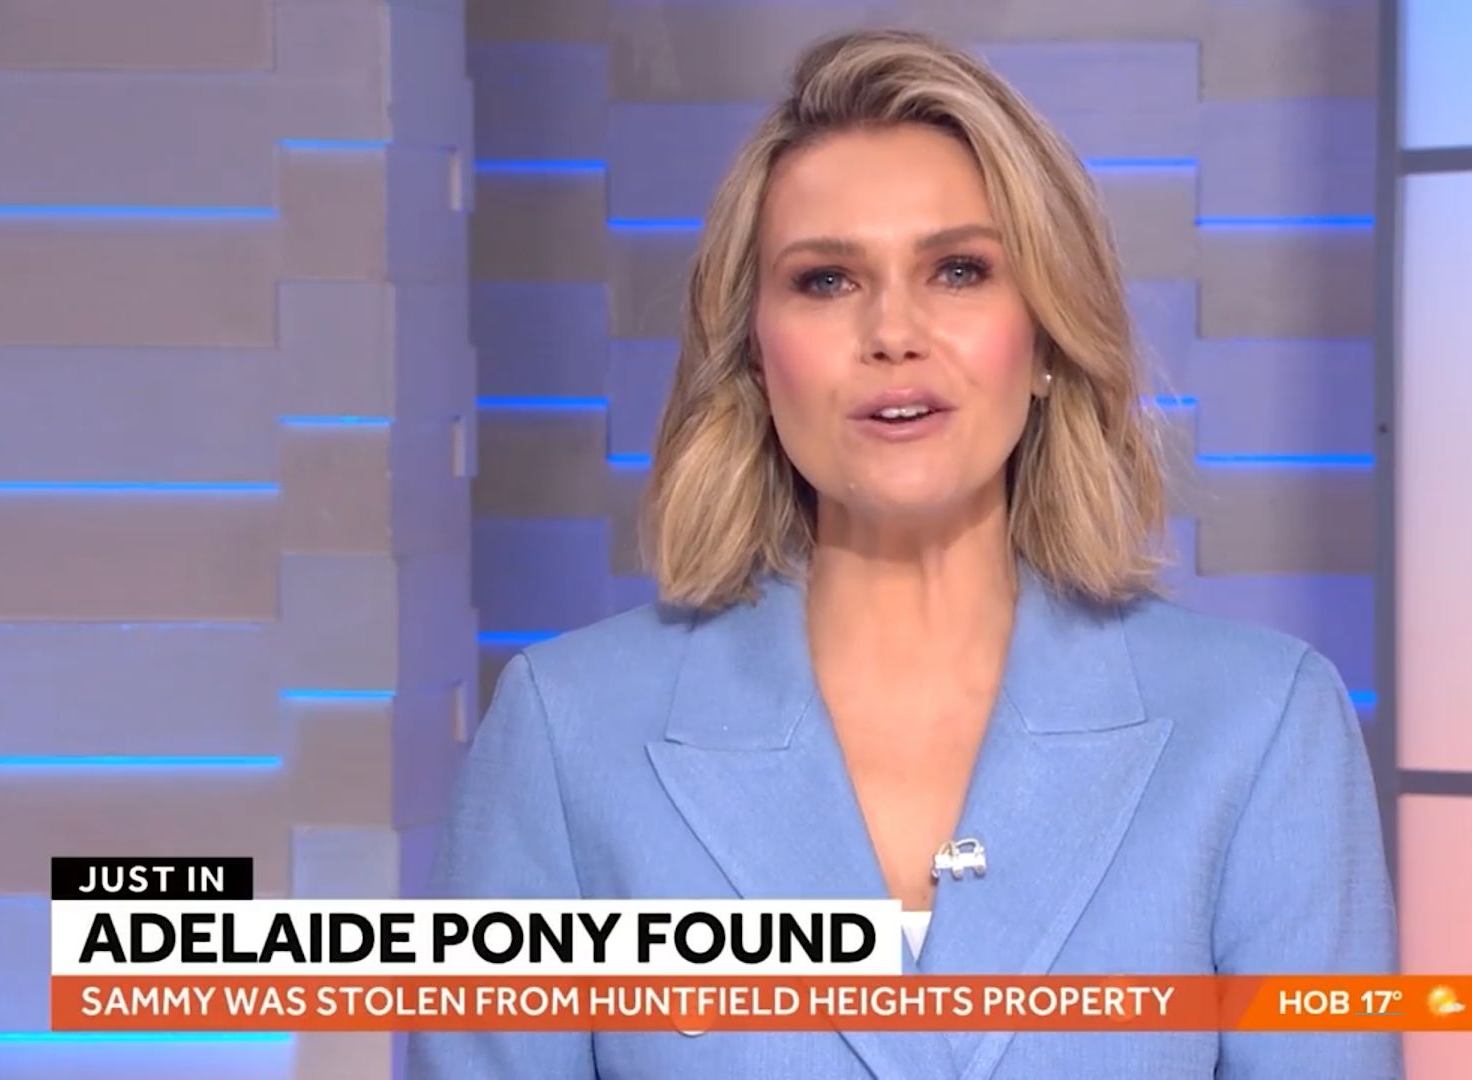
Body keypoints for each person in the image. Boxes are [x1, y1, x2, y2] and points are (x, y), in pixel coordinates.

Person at [411, 28, 1399, 1079]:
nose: (894, 331)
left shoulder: (1260, 727)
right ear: (755, 355)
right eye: (827, 280)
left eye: (959, 270)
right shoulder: (566, 737)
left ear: (1046, 336)